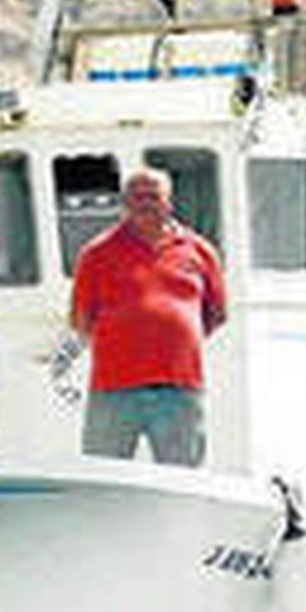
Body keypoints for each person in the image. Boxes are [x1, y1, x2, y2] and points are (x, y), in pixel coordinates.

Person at [70, 165, 227, 466]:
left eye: (153, 196)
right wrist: (127, 342)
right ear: (125, 204)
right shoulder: (96, 254)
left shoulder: (201, 252)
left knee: (183, 482)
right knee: (105, 480)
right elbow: (81, 318)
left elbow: (216, 313)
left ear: (169, 202)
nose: (144, 203)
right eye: (136, 197)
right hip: (113, 390)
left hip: (178, 391)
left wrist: (175, 340)